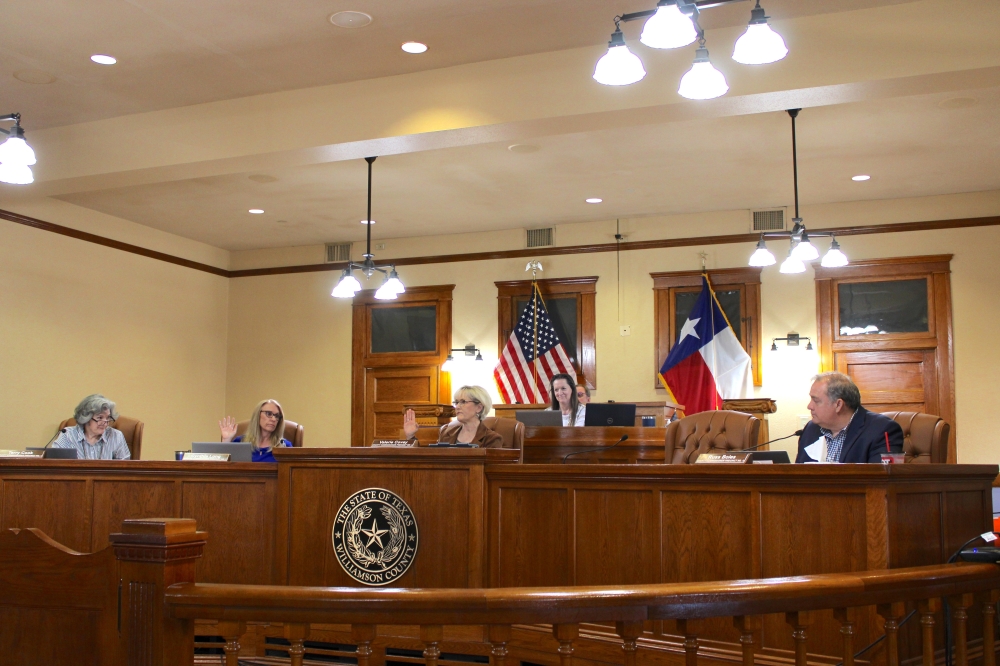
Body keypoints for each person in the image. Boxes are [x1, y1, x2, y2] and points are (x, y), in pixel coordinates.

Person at [795, 372, 904, 463]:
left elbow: (883, 480)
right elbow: (798, 477)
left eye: (816, 400)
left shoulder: (881, 430)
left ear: (838, 405)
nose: (809, 406)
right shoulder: (811, 428)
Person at [403, 385, 503, 447]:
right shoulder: (446, 433)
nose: (458, 407)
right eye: (456, 402)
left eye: (463, 402)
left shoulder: (492, 439)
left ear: (479, 408)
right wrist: (410, 436)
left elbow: (491, 473)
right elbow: (431, 462)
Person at [52, 394, 131, 460]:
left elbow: (124, 469)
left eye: (108, 418)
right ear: (86, 418)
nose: (105, 423)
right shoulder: (68, 435)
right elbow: (54, 464)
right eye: (100, 418)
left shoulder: (116, 436)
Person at [219, 399, 291, 463]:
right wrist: (226, 440)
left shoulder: (284, 446)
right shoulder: (241, 442)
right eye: (269, 414)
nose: (274, 419)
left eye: (277, 416)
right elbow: (223, 469)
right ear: (257, 415)